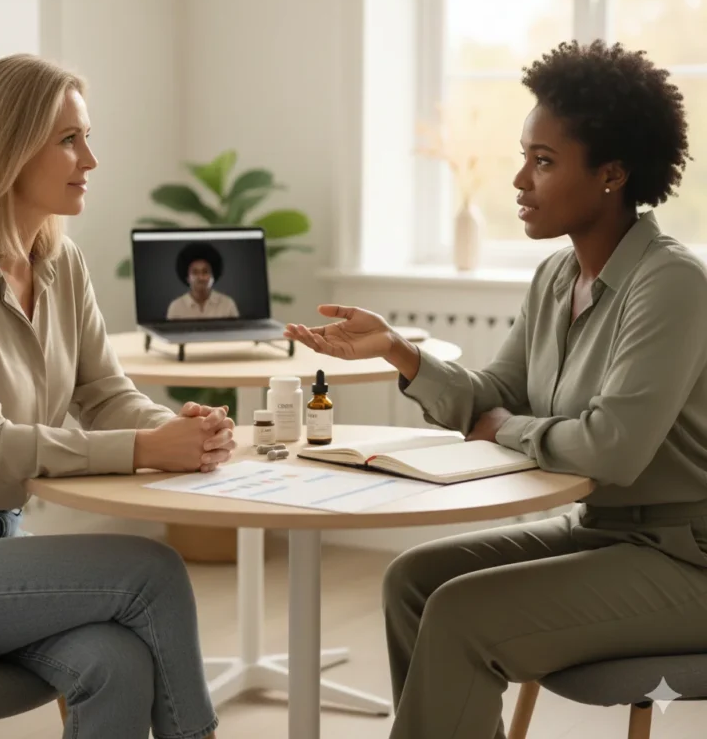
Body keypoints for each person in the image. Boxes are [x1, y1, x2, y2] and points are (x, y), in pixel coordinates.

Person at [285, 40, 707, 739]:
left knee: (461, 615)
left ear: (612, 172)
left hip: (687, 557)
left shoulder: (672, 284)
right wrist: (399, 351)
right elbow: (490, 394)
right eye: (524, 156)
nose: (518, 180)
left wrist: (506, 428)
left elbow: (612, 450)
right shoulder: (552, 279)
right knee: (413, 581)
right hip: (601, 534)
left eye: (543, 162)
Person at [0, 54, 235, 739]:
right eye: (68, 140)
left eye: (86, 136)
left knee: (114, 662)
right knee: (152, 568)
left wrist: (179, 428)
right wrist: (147, 447)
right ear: (6, 150)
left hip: (1, 546)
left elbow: (105, 392)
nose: (90, 158)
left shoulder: (61, 262)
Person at [166, 243, 240, 320]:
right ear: (187, 277)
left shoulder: (227, 304)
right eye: (195, 272)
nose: (201, 277)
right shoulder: (176, 307)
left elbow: (237, 332)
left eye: (205, 272)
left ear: (213, 276)